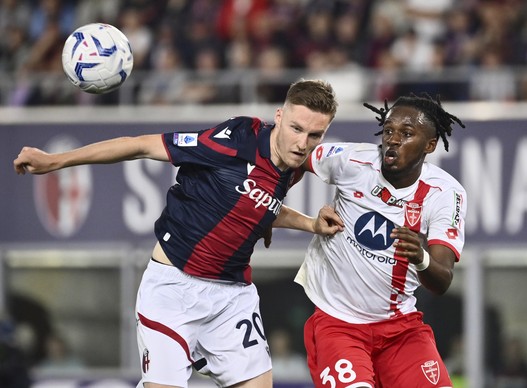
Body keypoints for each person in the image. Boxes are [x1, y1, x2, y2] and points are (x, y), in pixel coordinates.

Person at [13, 79, 343, 388]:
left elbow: (259, 204)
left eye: (315, 135)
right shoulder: (235, 140)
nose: (302, 144)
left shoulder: (295, 167)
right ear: (279, 116)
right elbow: (139, 146)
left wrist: (310, 224)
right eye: (296, 129)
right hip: (173, 290)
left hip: (232, 297)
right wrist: (55, 161)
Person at [294, 93, 467, 387]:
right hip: (338, 324)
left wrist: (421, 257)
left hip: (400, 329)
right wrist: (269, 208)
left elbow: (442, 281)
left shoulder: (446, 194)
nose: (393, 140)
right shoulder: (351, 161)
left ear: (430, 145)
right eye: (388, 131)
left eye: (407, 133)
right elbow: (293, 157)